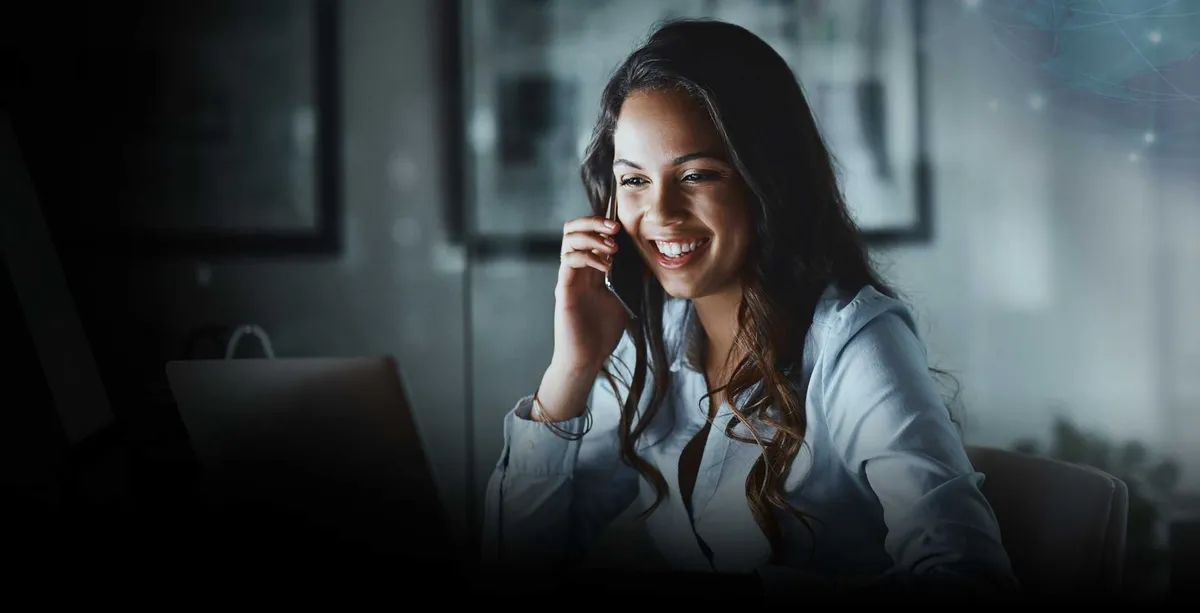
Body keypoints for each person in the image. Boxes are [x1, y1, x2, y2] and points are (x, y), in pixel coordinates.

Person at [480, 18, 1018, 601]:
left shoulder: (853, 344)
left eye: (697, 175)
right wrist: (571, 371)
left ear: (767, 180)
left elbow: (969, 574)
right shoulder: (652, 337)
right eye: (633, 179)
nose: (659, 212)